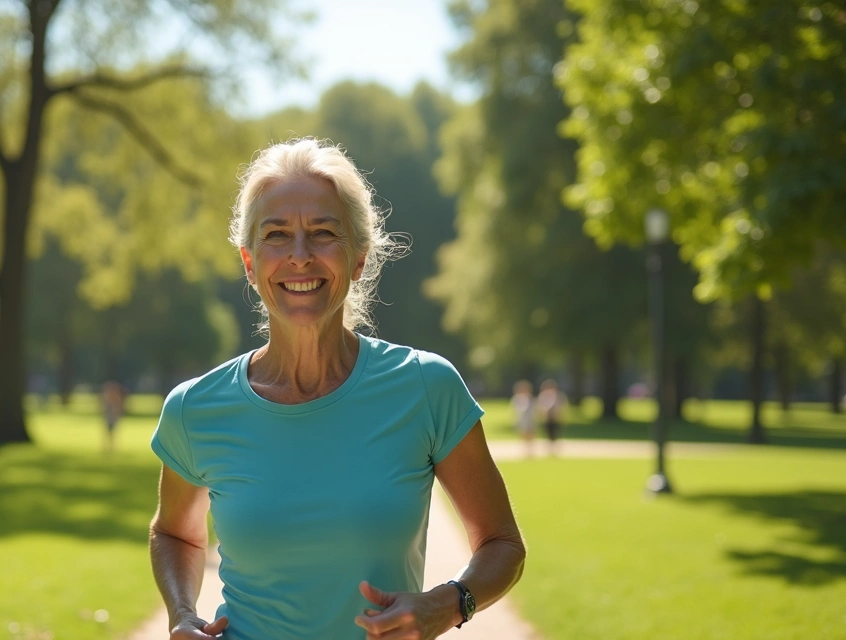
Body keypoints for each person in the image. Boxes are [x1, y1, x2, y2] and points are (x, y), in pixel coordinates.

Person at [148, 138, 526, 640]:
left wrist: (448, 604)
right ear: (249, 261)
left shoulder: (426, 386)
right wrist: (181, 612)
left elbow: (502, 542)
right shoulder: (195, 408)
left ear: (359, 259)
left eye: (323, 233)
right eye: (277, 235)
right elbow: (173, 532)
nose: (299, 256)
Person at [536, 379, 565, 456]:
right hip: (547, 418)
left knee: (555, 433)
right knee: (547, 433)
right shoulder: (542, 396)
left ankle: (554, 449)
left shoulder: (558, 396)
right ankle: (549, 449)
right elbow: (540, 407)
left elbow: (561, 407)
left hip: (555, 418)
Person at [101, 380, 127, 455]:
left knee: (111, 432)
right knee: (108, 432)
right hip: (110, 417)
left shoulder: (115, 400)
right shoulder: (110, 401)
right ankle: (108, 447)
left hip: (112, 418)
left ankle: (110, 447)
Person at [511, 379, 536, 458]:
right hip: (522, 420)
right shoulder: (517, 399)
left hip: (530, 419)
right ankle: (526, 450)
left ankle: (530, 450)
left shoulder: (531, 399)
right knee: (524, 434)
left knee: (530, 434)